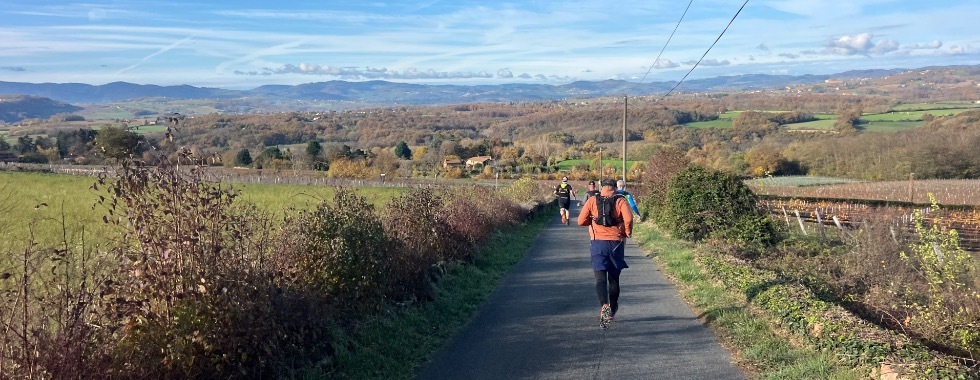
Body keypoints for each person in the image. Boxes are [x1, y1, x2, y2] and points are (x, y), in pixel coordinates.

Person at [577, 178, 634, 329]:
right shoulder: (620, 200)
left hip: (597, 243)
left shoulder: (592, 200)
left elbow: (580, 221)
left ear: (601, 187)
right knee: (614, 279)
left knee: (600, 278)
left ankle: (604, 304)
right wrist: (627, 232)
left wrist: (592, 221)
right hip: (616, 243)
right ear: (615, 187)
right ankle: (613, 309)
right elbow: (628, 219)